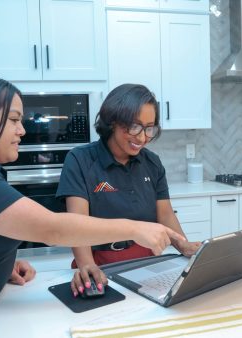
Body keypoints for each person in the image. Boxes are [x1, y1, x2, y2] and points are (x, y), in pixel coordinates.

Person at [0, 76, 184, 338]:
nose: (23, 131)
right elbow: (51, 228)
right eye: (15, 120)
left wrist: (1, 263)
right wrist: (135, 228)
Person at [56, 83, 202, 297]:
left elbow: (165, 214)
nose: (142, 138)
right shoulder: (80, 160)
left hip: (148, 261)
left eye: (149, 128)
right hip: (101, 262)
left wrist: (185, 246)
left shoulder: (152, 163)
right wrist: (87, 266)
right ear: (113, 122)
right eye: (135, 126)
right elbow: (77, 224)